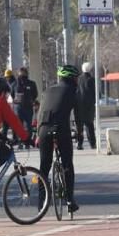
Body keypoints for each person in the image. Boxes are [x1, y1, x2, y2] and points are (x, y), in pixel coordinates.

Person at [37, 65, 80, 215]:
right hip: (61, 130)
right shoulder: (72, 91)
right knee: (67, 164)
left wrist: (37, 135)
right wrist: (79, 134)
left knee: (44, 166)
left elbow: (40, 114)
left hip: (43, 130)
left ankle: (41, 201)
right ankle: (69, 200)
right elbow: (78, 115)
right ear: (72, 78)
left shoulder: (47, 91)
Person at [12, 66, 39, 143]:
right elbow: (12, 94)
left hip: (28, 107)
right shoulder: (15, 84)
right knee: (19, 125)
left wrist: (30, 100)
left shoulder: (31, 83)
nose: (22, 75)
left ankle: (27, 140)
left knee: (28, 125)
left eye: (23, 73)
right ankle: (20, 139)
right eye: (21, 73)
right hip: (18, 108)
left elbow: (35, 94)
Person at [75, 62, 96, 149]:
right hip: (88, 106)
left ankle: (79, 143)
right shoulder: (91, 79)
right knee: (89, 125)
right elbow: (94, 93)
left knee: (79, 126)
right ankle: (92, 143)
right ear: (90, 69)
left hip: (78, 105)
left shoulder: (77, 79)